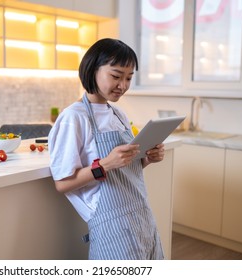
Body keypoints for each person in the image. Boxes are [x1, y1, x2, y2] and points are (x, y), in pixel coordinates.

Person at [48, 38, 165, 260]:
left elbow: (126, 171)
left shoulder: (119, 115)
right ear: (93, 69)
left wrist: (147, 158)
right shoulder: (73, 118)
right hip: (112, 229)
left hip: (142, 217)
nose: (123, 85)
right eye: (116, 76)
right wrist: (104, 165)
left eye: (129, 78)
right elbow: (62, 183)